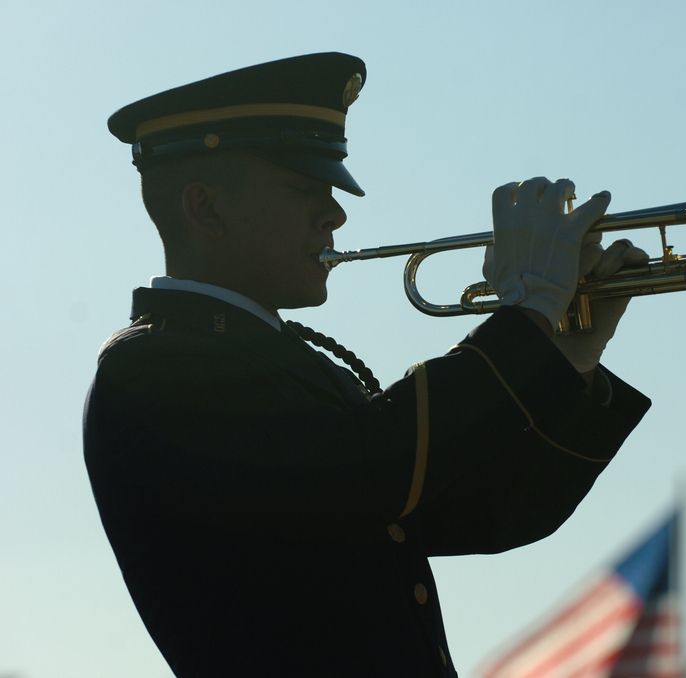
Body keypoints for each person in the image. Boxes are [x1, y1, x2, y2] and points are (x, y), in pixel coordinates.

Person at [84, 52, 651, 677]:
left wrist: (569, 350)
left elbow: (483, 511)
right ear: (205, 208)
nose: (336, 214)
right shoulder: (153, 367)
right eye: (304, 189)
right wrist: (526, 317)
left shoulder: (286, 363)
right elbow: (375, 467)